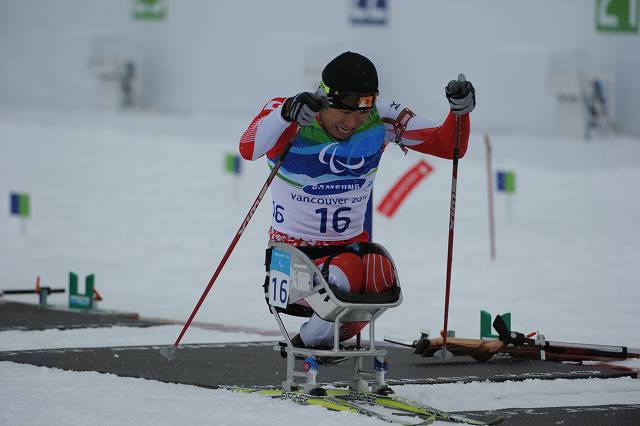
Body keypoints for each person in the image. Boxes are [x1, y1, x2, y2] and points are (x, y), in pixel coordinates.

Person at [239, 51, 475, 348]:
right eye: (345, 112)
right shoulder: (293, 113)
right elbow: (248, 147)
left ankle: (313, 343)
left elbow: (446, 145)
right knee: (349, 270)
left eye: (361, 112)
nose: (352, 122)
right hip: (292, 261)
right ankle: (310, 347)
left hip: (351, 251)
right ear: (325, 100)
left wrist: (460, 113)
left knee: (381, 274)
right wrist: (286, 112)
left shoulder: (382, 117)